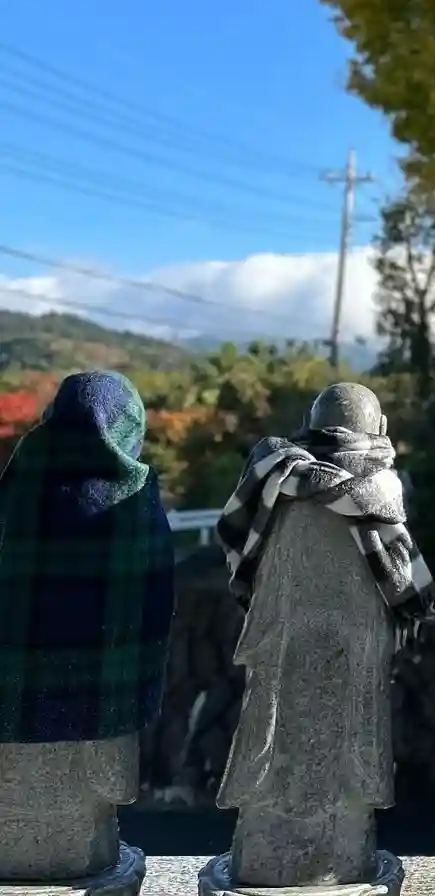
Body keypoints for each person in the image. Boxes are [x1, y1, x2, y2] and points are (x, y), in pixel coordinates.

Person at [215, 382, 435, 888]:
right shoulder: (380, 489)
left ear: (312, 425)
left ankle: (264, 862)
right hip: (353, 648)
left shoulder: (278, 477)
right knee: (346, 766)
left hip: (280, 644)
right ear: (378, 428)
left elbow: (242, 550)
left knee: (274, 758)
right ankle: (341, 865)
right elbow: (405, 581)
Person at [0, 370, 174, 881]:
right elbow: (156, 597)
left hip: (8, 699)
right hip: (99, 703)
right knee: (87, 842)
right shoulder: (133, 495)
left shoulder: (16, 484)